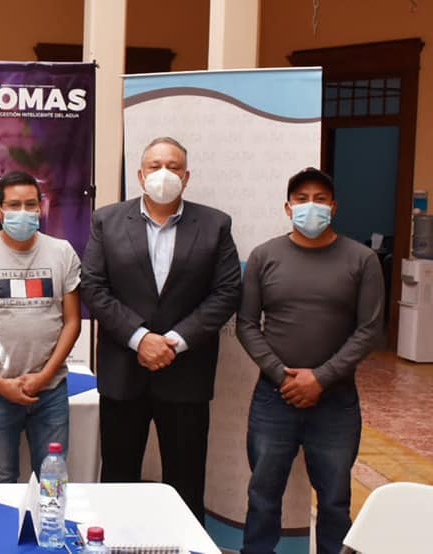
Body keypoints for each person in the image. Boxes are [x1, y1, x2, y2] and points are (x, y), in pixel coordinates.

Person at [80, 136, 241, 523]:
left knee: (186, 483)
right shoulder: (107, 220)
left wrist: (174, 342)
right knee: (119, 479)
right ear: (140, 175)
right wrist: (140, 339)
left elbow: (227, 291)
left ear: (186, 176)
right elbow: (93, 287)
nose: (164, 173)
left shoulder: (215, 224)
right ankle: (115, 544)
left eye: (173, 166)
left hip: (185, 374)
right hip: (123, 374)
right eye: (155, 166)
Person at [237, 167, 384, 554]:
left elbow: (369, 330)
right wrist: (280, 374)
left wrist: (321, 378)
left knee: (334, 501)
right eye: (301, 199)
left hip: (336, 401)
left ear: (333, 207)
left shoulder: (362, 259)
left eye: (320, 199)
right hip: (274, 397)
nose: (310, 206)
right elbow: (246, 325)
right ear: (288, 208)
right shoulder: (264, 256)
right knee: (263, 497)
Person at [0, 171, 81, 483]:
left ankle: (47, 520)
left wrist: (44, 376)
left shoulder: (63, 252)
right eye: (14, 205)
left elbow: (72, 321)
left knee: (52, 480)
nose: (23, 212)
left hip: (50, 390)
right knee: (1, 478)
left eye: (30, 204)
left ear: (40, 207)